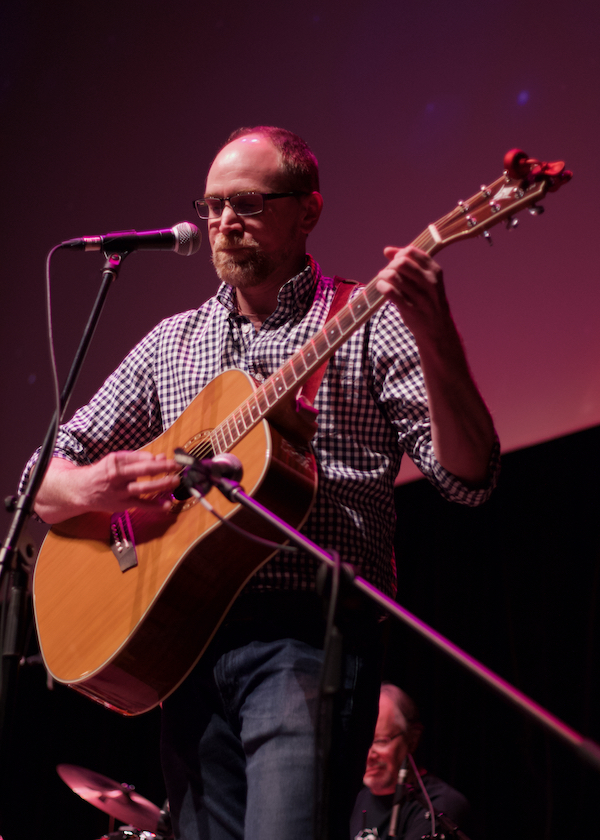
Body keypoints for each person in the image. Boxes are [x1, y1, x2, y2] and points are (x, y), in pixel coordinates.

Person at [21, 126, 499, 840]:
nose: (223, 222)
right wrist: (92, 486)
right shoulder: (170, 343)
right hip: (181, 646)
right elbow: (40, 477)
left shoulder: (364, 320)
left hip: (305, 644)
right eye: (212, 205)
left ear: (308, 210)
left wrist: (438, 334)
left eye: (246, 202)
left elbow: (469, 480)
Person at [350, 684, 471, 840]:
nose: (369, 755)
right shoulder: (355, 802)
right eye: (362, 743)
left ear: (412, 739)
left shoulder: (441, 805)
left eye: (380, 741)